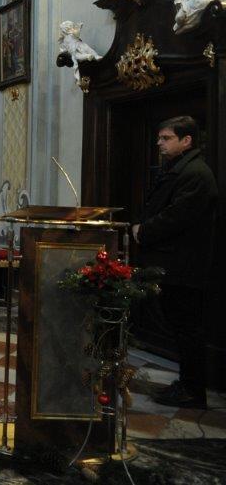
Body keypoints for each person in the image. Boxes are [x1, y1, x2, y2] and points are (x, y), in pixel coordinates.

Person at [131, 116, 218, 408]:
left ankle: (192, 390)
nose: (159, 143)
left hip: (184, 266)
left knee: (187, 328)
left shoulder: (196, 173)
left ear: (186, 140)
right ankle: (188, 384)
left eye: (166, 138)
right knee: (181, 327)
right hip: (175, 264)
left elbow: (177, 216)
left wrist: (144, 231)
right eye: (159, 137)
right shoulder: (181, 168)